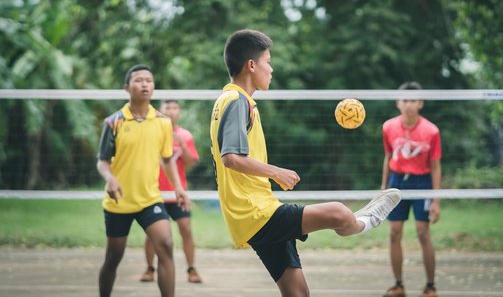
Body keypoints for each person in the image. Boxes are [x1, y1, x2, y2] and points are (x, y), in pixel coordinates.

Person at [209, 29, 403, 297]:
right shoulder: (236, 101)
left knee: (298, 293)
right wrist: (277, 172)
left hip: (253, 212)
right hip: (255, 212)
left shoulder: (234, 101)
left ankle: (356, 221)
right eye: (268, 61)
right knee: (338, 213)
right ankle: (366, 221)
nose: (271, 68)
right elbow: (231, 158)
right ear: (251, 65)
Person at [96, 64, 190, 297]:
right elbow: (102, 161)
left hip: (150, 200)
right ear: (127, 87)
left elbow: (167, 159)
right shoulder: (114, 122)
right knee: (113, 258)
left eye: (149, 80)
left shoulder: (162, 122)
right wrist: (110, 178)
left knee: (166, 246)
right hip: (119, 202)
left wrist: (178, 188)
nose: (145, 84)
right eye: (139, 80)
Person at [381, 81, 442, 297]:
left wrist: (436, 199)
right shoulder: (388, 127)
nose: (409, 105)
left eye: (413, 100)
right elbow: (388, 157)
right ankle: (398, 285)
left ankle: (430, 286)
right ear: (398, 103)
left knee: (423, 232)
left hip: (422, 182)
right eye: (405, 100)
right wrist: (383, 188)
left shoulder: (431, 131)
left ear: (421, 103)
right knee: (394, 232)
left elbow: (435, 166)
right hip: (397, 181)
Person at [140, 100, 202, 284]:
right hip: (155, 193)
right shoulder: (152, 132)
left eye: (175, 108)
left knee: (186, 229)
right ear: (160, 111)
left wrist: (182, 145)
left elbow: (191, 162)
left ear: (179, 112)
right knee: (152, 233)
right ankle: (150, 269)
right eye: (168, 108)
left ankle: (192, 269)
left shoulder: (185, 135)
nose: (172, 111)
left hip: (178, 192)